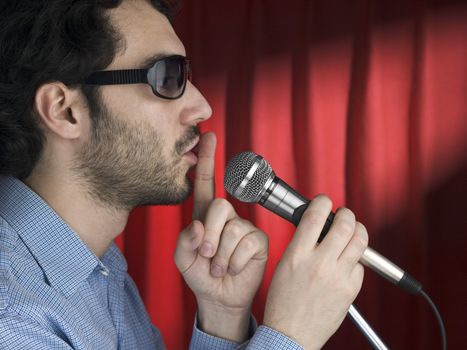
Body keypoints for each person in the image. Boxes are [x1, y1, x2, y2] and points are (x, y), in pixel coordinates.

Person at [0, 1, 369, 349]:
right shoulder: (11, 314)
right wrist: (292, 334)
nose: (201, 106)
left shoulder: (96, 269)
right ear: (65, 111)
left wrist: (223, 317)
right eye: (166, 78)